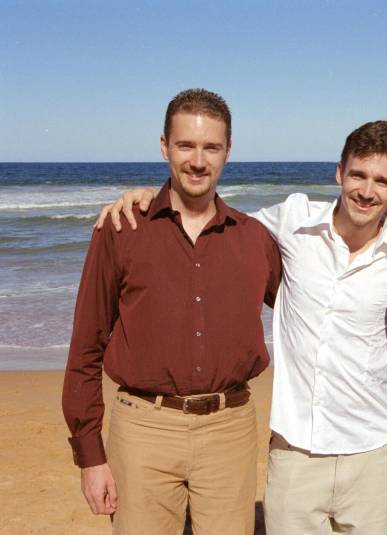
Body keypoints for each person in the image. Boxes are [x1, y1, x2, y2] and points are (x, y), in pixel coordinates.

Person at [96, 121, 387, 535]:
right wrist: (153, 196)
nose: (367, 191)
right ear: (339, 173)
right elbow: (217, 223)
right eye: (358, 175)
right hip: (295, 451)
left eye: (382, 181)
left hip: (373, 455)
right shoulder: (293, 221)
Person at [62, 88, 282, 534]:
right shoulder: (122, 229)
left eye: (211, 147)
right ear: (164, 146)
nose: (198, 161)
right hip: (143, 429)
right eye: (186, 145)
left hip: (230, 429)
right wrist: (90, 455)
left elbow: (314, 308)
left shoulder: (254, 239)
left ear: (228, 151)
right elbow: (86, 344)